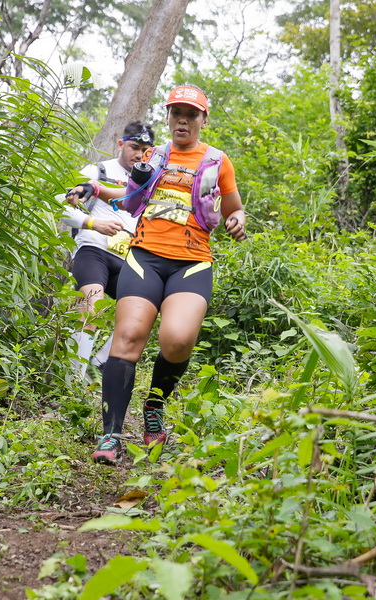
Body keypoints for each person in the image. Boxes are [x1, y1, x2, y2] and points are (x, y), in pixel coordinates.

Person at [65, 84, 247, 464]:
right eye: (176, 112)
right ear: (167, 117)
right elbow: (127, 196)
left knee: (177, 340)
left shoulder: (217, 161)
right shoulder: (154, 156)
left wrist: (236, 220)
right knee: (128, 336)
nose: (183, 119)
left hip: (192, 262)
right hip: (144, 256)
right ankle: (111, 435)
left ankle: (154, 407)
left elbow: (234, 207)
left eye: (191, 114)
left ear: (203, 119)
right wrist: (94, 187)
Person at [61, 121, 156, 382]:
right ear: (121, 144)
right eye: (134, 147)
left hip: (128, 258)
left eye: (145, 151)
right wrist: (92, 223)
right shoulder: (98, 170)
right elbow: (61, 204)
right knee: (92, 308)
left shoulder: (151, 181)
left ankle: (94, 368)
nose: (138, 155)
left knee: (144, 311)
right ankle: (71, 384)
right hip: (93, 250)